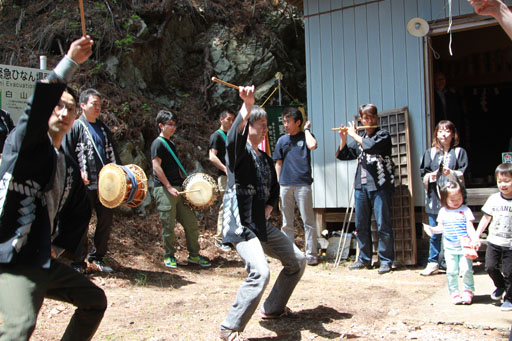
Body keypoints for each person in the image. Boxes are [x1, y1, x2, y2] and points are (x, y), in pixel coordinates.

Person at [0, 36, 107, 340]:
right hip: (10, 251)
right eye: (58, 106)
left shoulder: (68, 166)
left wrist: (58, 247)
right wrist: (70, 62)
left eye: (69, 109)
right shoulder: (24, 143)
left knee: (94, 301)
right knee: (20, 327)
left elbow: (80, 212)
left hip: (39, 257)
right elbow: (35, 109)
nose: (63, 112)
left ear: (76, 118)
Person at [219, 86, 306, 340]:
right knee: (261, 271)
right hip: (241, 224)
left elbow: (274, 188)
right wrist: (246, 106)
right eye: (261, 123)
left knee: (297, 261)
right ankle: (229, 327)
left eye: (267, 124)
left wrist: (270, 204)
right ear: (248, 126)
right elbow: (233, 137)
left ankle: (273, 308)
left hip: (261, 224)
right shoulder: (239, 153)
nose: (266, 128)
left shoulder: (266, 159)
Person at [64, 88, 121, 273]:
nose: (97, 108)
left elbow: (113, 155)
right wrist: (78, 171)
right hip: (84, 185)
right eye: (93, 104)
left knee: (106, 220)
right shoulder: (75, 126)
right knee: (82, 221)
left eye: (99, 105)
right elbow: (65, 154)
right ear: (82, 105)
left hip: (105, 186)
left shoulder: (103, 128)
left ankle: (97, 258)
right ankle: (78, 262)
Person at [335, 104, 395, 274]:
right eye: (365, 118)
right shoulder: (360, 138)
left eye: (371, 117)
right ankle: (364, 259)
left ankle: (386, 260)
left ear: (376, 118)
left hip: (379, 185)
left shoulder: (382, 135)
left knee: (383, 224)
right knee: (361, 224)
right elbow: (343, 155)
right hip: (361, 186)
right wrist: (344, 138)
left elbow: (369, 146)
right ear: (361, 119)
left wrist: (354, 134)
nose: (368, 121)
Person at [151, 110, 211, 269]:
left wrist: (183, 183)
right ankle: (169, 256)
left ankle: (194, 255)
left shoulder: (170, 143)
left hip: (179, 189)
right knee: (168, 224)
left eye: (174, 125)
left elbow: (174, 167)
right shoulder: (158, 143)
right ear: (160, 125)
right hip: (164, 190)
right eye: (169, 124)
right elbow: (156, 166)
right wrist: (168, 186)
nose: (173, 127)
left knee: (191, 222)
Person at [420, 120, 468, 276]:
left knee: (458, 230)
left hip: (454, 198)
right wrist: (431, 176)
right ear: (436, 134)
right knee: (435, 231)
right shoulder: (430, 153)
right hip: (435, 198)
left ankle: (460, 262)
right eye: (440, 131)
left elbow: (463, 172)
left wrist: (451, 173)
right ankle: (433, 262)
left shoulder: (459, 152)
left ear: (453, 134)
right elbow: (423, 173)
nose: (444, 134)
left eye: (447, 131)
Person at [273, 107, 319, 266]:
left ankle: (311, 254)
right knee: (287, 222)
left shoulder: (306, 137)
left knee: (308, 221)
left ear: (298, 122)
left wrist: (306, 130)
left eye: (288, 121)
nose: (285, 124)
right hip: (285, 184)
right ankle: (289, 253)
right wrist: (279, 183)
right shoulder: (281, 140)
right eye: (284, 121)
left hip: (303, 184)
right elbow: (278, 163)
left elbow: (312, 145)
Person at [425, 181, 478, 305]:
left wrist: (475, 239)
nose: (456, 202)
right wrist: (431, 229)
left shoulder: (465, 210)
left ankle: (468, 290)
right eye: (452, 200)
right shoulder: (443, 212)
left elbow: (470, 227)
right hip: (449, 248)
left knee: (466, 270)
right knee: (451, 271)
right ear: (444, 199)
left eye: (459, 198)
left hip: (464, 247)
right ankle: (454, 292)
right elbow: (441, 228)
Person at [475, 163, 512, 311]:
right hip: (494, 240)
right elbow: (485, 218)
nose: (503, 185)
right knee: (490, 267)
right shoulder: (493, 199)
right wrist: (476, 235)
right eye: (500, 181)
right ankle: (500, 286)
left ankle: (509, 298)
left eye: (507, 181)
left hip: (510, 243)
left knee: (509, 272)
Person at [208, 110, 236, 252]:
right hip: (224, 177)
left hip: (235, 176)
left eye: (233, 120)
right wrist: (225, 169)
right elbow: (212, 156)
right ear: (221, 119)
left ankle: (229, 237)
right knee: (225, 207)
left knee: (233, 207)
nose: (231, 122)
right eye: (228, 119)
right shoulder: (216, 136)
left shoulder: (231, 135)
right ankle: (220, 238)